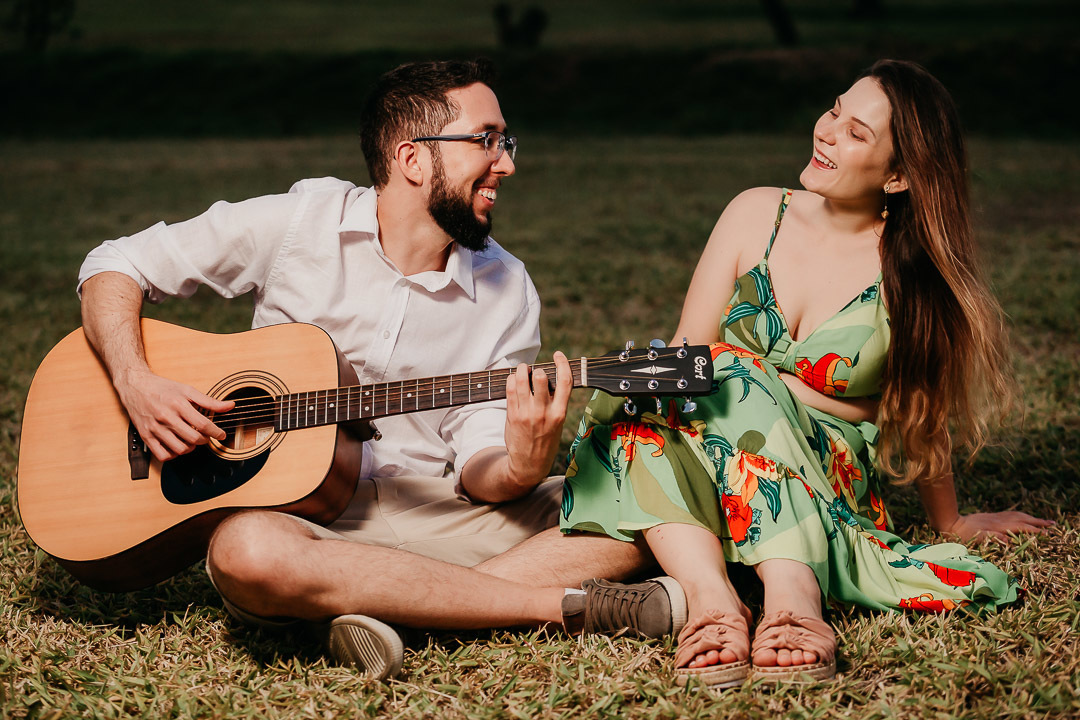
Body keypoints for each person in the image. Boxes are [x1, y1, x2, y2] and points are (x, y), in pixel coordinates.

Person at [76, 58, 685, 681]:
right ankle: (546, 607)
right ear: (413, 159)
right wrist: (135, 380)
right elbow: (116, 264)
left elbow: (480, 469)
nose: (506, 163)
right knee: (246, 551)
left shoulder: (508, 287)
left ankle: (394, 607)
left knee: (633, 505)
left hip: (435, 509)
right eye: (486, 140)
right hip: (294, 518)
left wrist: (523, 464)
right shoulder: (297, 225)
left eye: (506, 142)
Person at [559, 59, 1054, 689]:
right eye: (835, 110)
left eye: (857, 134)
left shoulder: (912, 273)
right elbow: (688, 356)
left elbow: (912, 414)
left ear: (899, 176)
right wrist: (720, 376)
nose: (827, 131)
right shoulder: (753, 212)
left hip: (821, 470)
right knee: (644, 394)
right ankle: (714, 603)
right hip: (708, 449)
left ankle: (795, 601)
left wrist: (951, 521)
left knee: (726, 370)